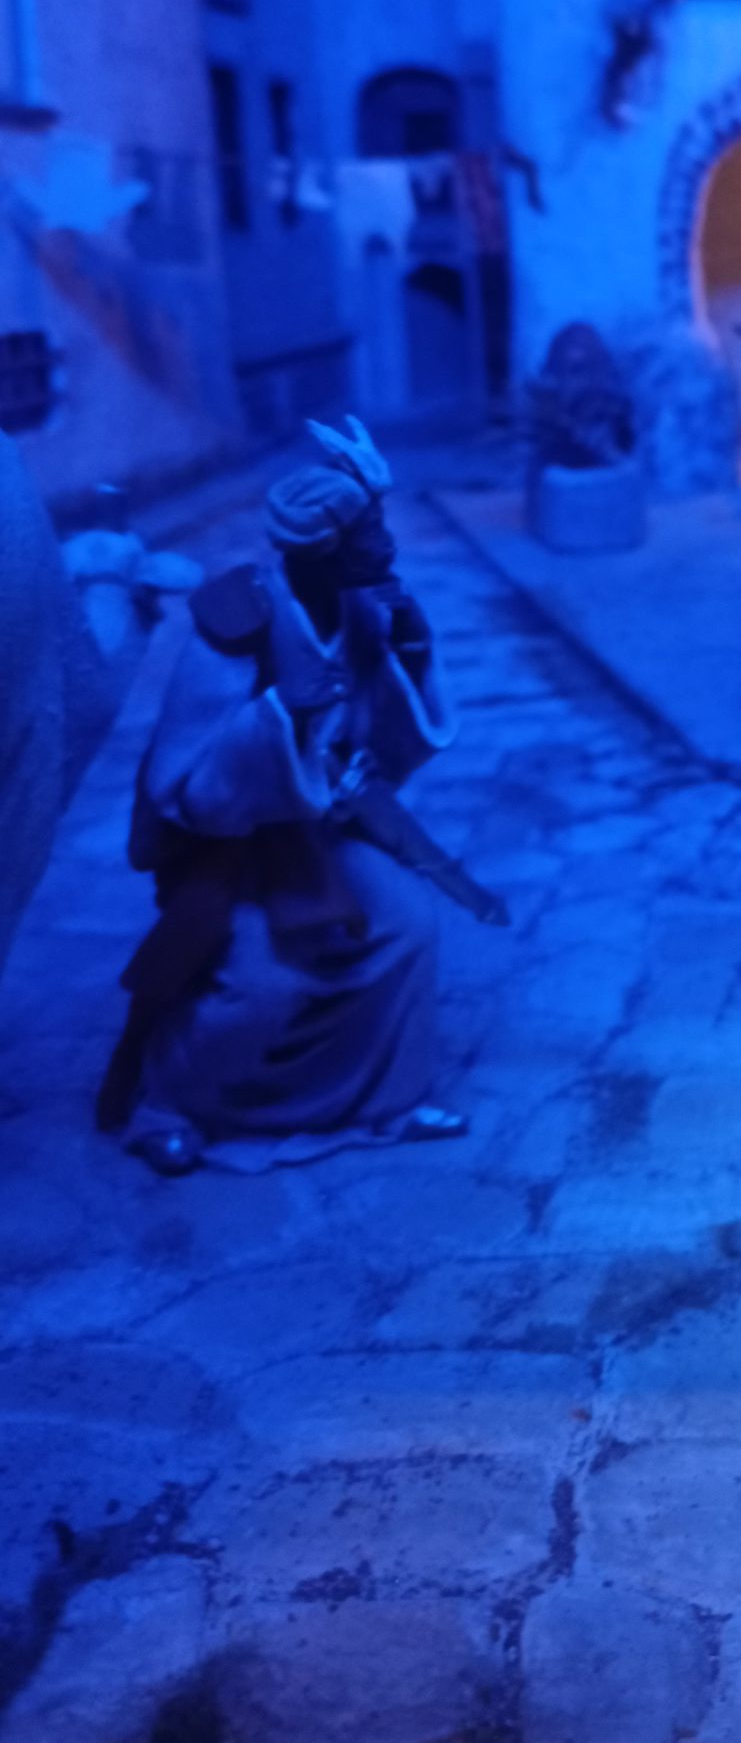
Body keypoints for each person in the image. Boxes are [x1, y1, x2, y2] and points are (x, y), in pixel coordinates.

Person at [97, 417, 505, 1175]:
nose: (384, 546)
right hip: (234, 845)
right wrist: (280, 719)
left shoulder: (363, 606)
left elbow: (383, 734)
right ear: (323, 548)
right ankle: (168, 1106)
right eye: (368, 533)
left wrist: (412, 653)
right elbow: (180, 782)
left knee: (409, 926)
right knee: (260, 984)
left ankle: (388, 1101)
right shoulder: (235, 625)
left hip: (322, 827)